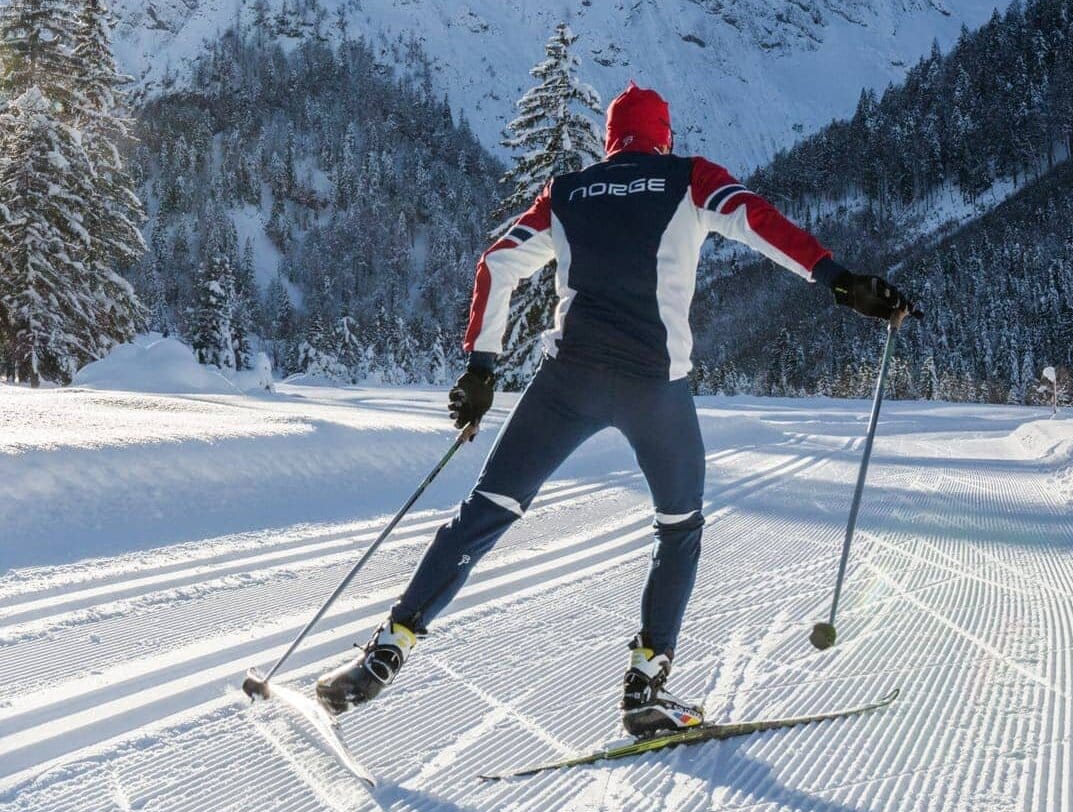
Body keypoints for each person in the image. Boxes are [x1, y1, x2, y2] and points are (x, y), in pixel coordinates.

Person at [314, 83, 915, 735]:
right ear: (664, 137)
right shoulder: (691, 178)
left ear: (609, 141)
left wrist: (482, 368)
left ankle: (385, 654)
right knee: (679, 527)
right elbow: (760, 224)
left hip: (566, 382)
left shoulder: (568, 194)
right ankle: (646, 688)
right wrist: (839, 282)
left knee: (484, 512)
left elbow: (497, 265)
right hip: (654, 386)